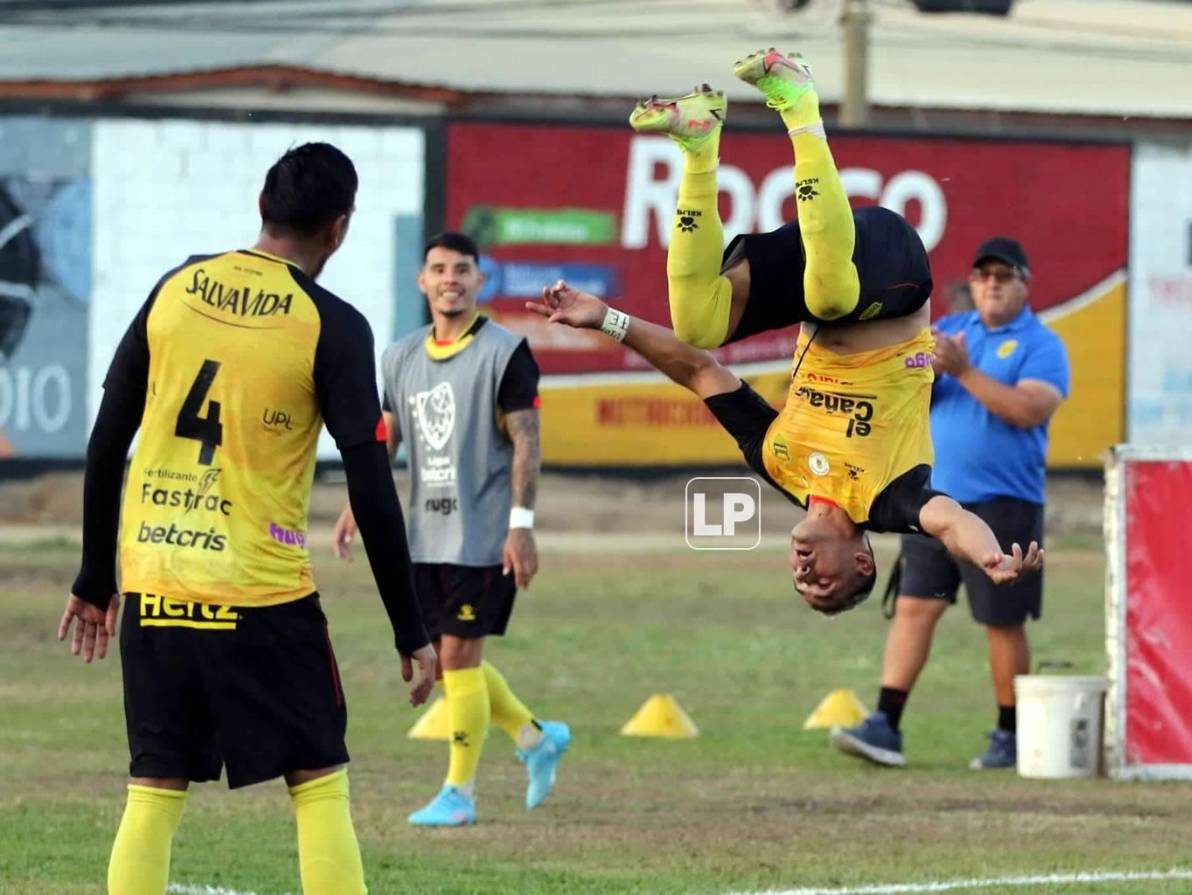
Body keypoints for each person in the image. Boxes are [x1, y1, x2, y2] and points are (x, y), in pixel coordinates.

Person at [57, 143, 437, 895]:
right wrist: (409, 627)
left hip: (159, 586)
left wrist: (97, 575)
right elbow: (370, 482)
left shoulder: (178, 287)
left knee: (154, 789)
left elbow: (107, 440)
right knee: (319, 782)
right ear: (340, 227)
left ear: (262, 209)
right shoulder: (332, 323)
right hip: (262, 596)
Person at [549, 48, 1040, 615]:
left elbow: (698, 369)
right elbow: (952, 521)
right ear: (862, 561)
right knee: (831, 296)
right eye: (822, 583)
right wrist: (988, 557)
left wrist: (605, 318)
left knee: (699, 323)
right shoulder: (888, 501)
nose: (803, 572)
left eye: (800, 584)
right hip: (891, 264)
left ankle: (698, 139)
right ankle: (800, 100)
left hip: (821, 254)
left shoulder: (779, 463)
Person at [332, 231, 570, 828]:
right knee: (447, 661)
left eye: (462, 269)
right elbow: (388, 437)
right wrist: (361, 500)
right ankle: (534, 737)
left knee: (459, 662)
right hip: (424, 537)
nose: (451, 279)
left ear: (479, 281)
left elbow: (527, 443)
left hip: (485, 535)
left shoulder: (506, 351)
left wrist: (522, 527)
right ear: (423, 281)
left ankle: (459, 793)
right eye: (439, 269)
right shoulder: (402, 357)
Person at [831, 237, 1069, 770]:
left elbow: (1029, 409)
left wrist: (963, 372)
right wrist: (924, 374)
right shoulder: (951, 334)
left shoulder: (1041, 344)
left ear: (1024, 284)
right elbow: (899, 384)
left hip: (1005, 502)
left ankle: (1010, 736)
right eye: (983, 276)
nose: (991, 285)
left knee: (1001, 620)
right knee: (916, 606)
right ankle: (885, 723)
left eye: (1003, 277)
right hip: (937, 502)